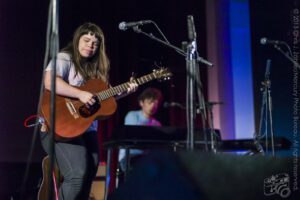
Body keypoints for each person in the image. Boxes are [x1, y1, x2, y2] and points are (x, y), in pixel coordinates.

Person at [40, 22, 137, 200]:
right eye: (86, 40)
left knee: (90, 172)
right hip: (58, 126)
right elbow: (50, 82)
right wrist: (80, 93)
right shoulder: (64, 58)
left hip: (85, 129)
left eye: (95, 44)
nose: (90, 46)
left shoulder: (97, 71)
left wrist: (124, 92)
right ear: (77, 40)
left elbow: (101, 101)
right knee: (77, 175)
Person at [118, 87, 163, 172]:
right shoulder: (132, 115)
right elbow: (132, 138)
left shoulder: (157, 124)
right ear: (141, 103)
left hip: (147, 158)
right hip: (129, 156)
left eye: (156, 103)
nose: (153, 106)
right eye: (150, 102)